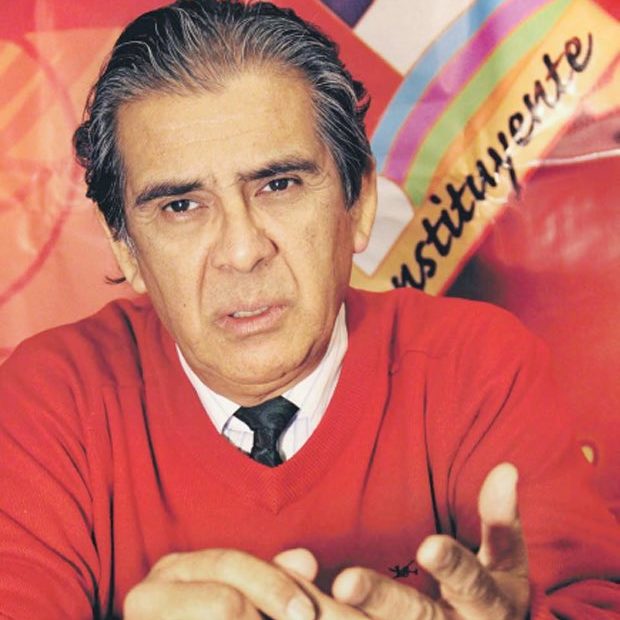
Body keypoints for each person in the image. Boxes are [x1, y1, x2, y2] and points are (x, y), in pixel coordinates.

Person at [0, 1, 618, 618]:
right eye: (180, 206)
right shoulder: (51, 401)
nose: (242, 252)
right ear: (126, 249)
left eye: (279, 185)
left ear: (359, 203)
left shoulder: (478, 367)